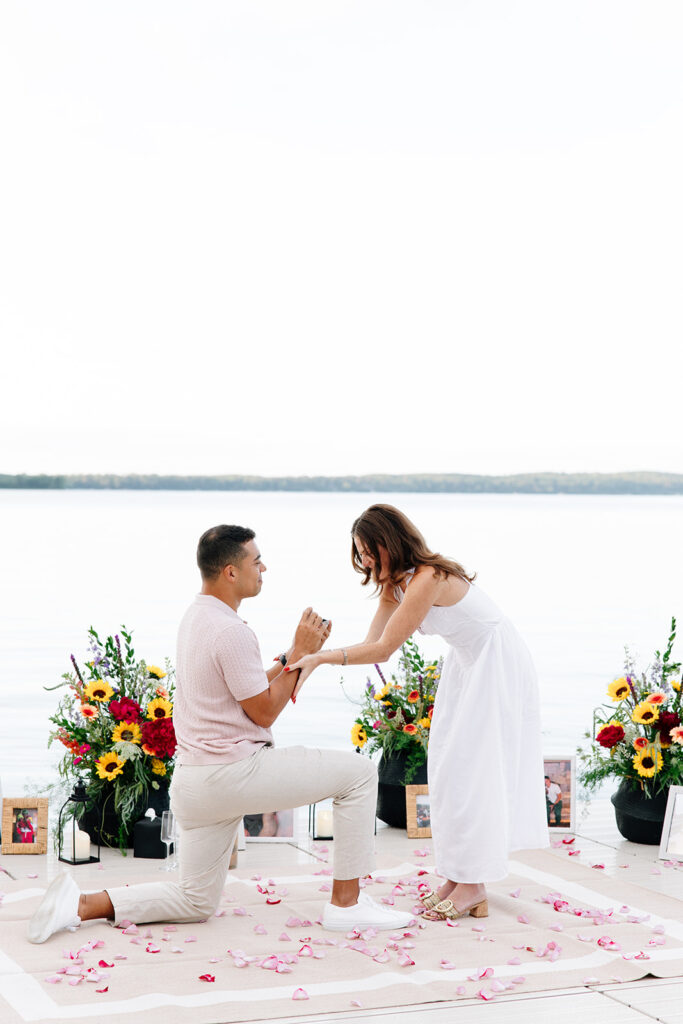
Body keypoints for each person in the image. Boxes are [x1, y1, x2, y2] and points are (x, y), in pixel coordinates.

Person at [28, 524, 413, 944]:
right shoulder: (232, 631)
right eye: (256, 560)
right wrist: (302, 652)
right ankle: (347, 905)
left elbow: (246, 688)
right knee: (358, 773)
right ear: (231, 571)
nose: (263, 567)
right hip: (233, 775)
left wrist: (294, 654)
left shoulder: (197, 616)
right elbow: (264, 709)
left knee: (195, 900)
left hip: (195, 784)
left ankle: (81, 904)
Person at [287, 504, 549, 922]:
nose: (366, 561)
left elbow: (385, 650)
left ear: (389, 541)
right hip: (467, 663)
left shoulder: (428, 577)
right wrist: (318, 655)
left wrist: (320, 659)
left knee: (473, 772)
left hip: (496, 662)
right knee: (446, 769)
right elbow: (373, 642)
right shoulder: (397, 585)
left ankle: (474, 884)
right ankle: (458, 876)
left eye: (369, 551)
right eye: (360, 553)